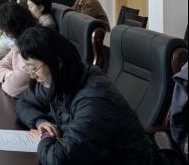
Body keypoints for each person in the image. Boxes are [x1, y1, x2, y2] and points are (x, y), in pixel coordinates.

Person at [15, 26, 156, 165]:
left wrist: (44, 137)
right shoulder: (59, 80)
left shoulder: (93, 98)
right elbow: (24, 103)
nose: (31, 75)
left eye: (33, 68)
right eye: (27, 68)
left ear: (58, 62)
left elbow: (60, 159)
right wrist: (41, 122)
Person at [0, 3, 39, 97]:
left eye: (6, 31)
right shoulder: (18, 44)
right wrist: (10, 75)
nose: (5, 35)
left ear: (14, 28)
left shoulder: (34, 45)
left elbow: (11, 88)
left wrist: (10, 79)